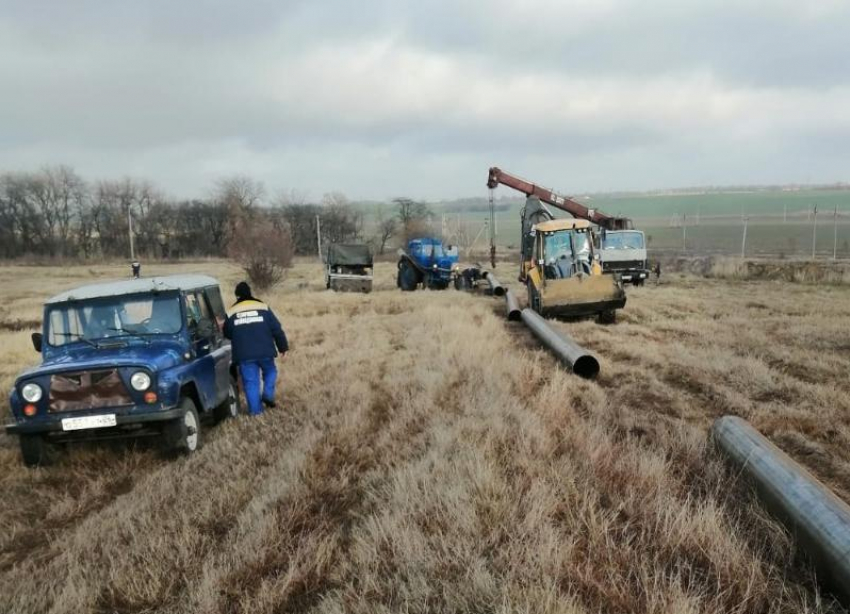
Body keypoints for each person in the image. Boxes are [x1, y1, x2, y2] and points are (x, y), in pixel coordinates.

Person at [223, 282, 289, 416]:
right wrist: (283, 347)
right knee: (270, 371)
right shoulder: (263, 307)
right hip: (265, 351)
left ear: (237, 296)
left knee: (251, 382)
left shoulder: (231, 312)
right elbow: (276, 329)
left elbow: (227, 333)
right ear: (250, 293)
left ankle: (256, 412)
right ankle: (268, 394)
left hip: (244, 354)